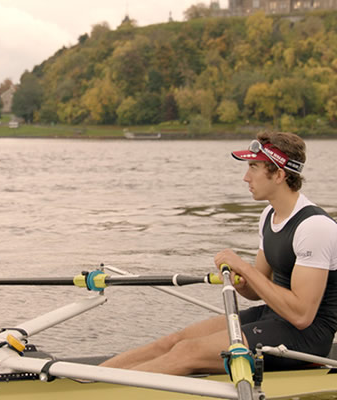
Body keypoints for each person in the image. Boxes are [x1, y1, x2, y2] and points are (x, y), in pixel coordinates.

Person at [101, 131, 337, 375]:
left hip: (307, 338)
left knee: (187, 352)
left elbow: (301, 315)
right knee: (174, 341)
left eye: (254, 167)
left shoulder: (314, 227)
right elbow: (257, 291)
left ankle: (115, 389)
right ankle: (86, 380)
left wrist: (243, 267)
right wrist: (242, 283)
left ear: (279, 175)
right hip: (272, 317)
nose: (246, 177)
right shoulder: (269, 215)